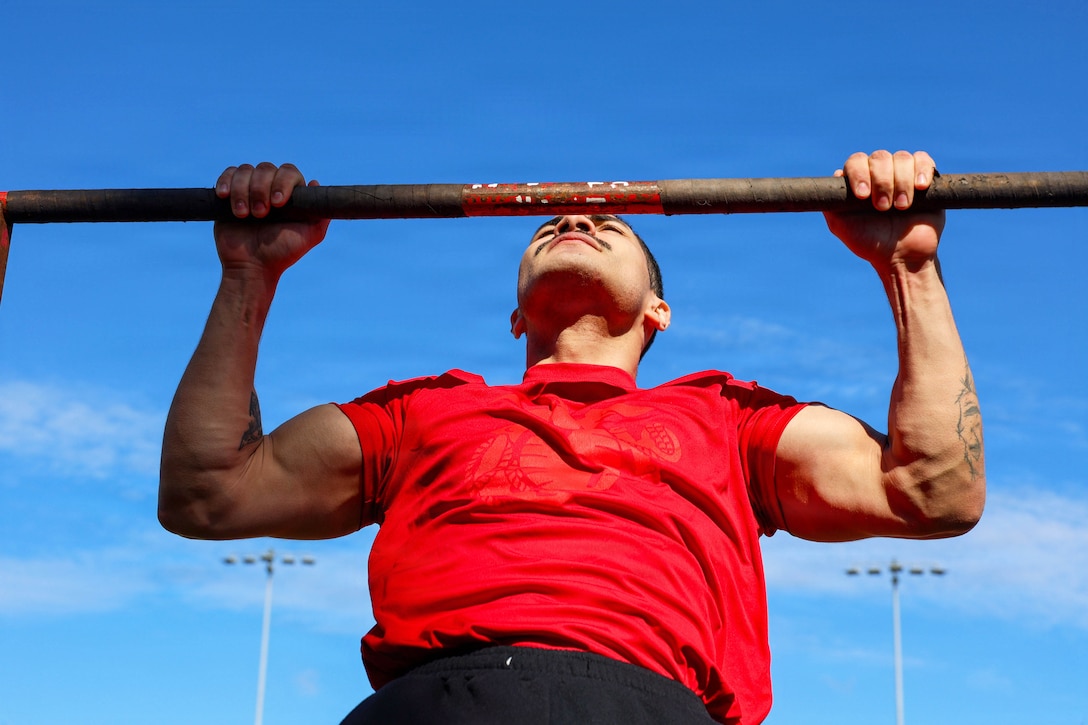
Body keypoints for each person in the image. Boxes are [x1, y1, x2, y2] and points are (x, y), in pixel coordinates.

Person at [158, 150, 985, 725]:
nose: (574, 216)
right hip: (438, 705)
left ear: (659, 312)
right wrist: (248, 273)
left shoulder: (727, 418)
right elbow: (209, 490)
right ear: (516, 312)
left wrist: (909, 267)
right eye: (547, 223)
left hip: (648, 702)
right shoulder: (423, 412)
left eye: (609, 224)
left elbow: (934, 489)